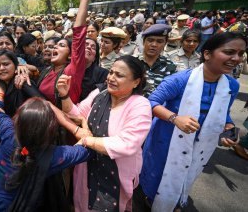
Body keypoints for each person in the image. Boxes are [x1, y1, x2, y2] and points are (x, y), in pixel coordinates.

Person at [136, 32, 246, 212]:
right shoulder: (180, 80)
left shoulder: (231, 86)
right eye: (229, 52)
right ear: (207, 54)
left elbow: (223, 113)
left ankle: (175, 201)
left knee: (185, 175)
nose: (236, 58)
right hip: (165, 142)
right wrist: (175, 118)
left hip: (200, 145)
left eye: (241, 54)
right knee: (157, 179)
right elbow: (150, 103)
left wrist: (229, 128)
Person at [0, 84, 92, 212]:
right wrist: (83, 127)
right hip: (15, 206)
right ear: (50, 130)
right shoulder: (55, 156)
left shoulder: (7, 132)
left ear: (17, 120)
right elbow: (88, 149)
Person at [57, 55, 152, 212]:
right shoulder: (100, 94)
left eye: (119, 75)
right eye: (111, 72)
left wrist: (88, 141)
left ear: (136, 82)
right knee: (82, 203)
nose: (111, 78)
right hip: (86, 169)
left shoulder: (140, 105)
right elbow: (76, 114)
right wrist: (64, 95)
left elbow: (126, 144)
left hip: (117, 174)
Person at [37, 0, 99, 106]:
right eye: (55, 46)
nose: (54, 48)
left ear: (71, 54)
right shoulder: (47, 71)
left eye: (61, 45)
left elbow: (78, 33)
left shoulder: (72, 71)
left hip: (63, 124)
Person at [135, 24, 177, 97]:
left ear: (165, 44)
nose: (154, 44)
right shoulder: (132, 62)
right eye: (150, 40)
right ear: (143, 42)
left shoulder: (170, 66)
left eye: (159, 41)